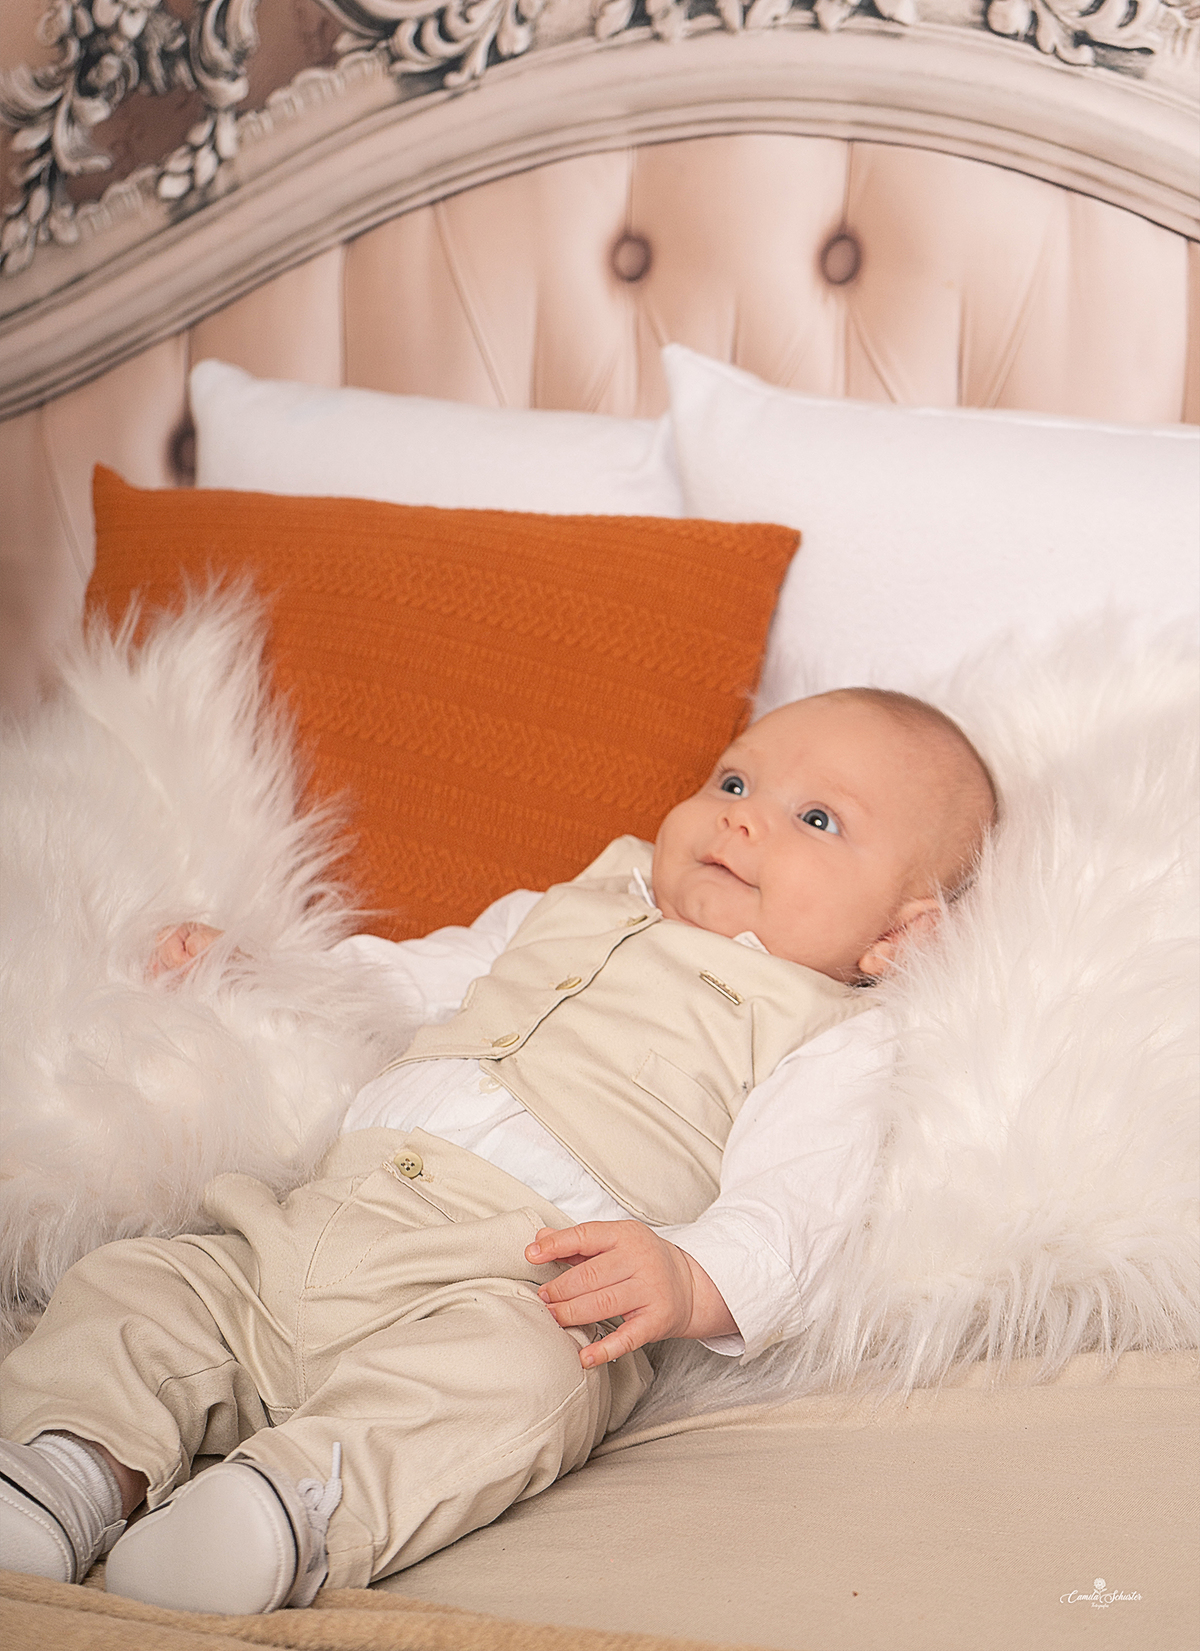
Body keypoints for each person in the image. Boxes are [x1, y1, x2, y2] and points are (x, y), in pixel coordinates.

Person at [0, 688, 997, 1613]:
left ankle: (289, 1506)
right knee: (143, 1285)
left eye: (817, 819)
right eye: (733, 782)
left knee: (524, 1386)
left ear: (897, 939)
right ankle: (71, 1463)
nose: (743, 818)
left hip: (516, 1282)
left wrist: (689, 1278)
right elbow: (413, 977)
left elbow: (795, 1209)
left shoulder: (827, 1033)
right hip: (313, 1220)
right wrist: (261, 969)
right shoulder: (569, 903)